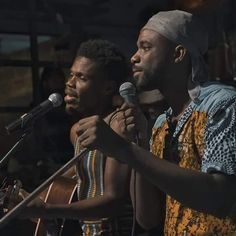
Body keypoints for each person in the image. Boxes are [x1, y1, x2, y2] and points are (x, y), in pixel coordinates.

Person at [75, 10, 236, 235]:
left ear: (178, 53)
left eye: (146, 47)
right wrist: (140, 144)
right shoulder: (162, 123)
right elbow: (147, 218)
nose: (134, 56)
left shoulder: (223, 104)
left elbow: (218, 197)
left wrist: (124, 150)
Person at [10, 39, 134, 236]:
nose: (69, 83)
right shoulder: (77, 130)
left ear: (108, 88)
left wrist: (47, 210)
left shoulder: (118, 124)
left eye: (82, 77)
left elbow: (113, 200)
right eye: (71, 74)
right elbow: (64, 183)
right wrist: (27, 199)